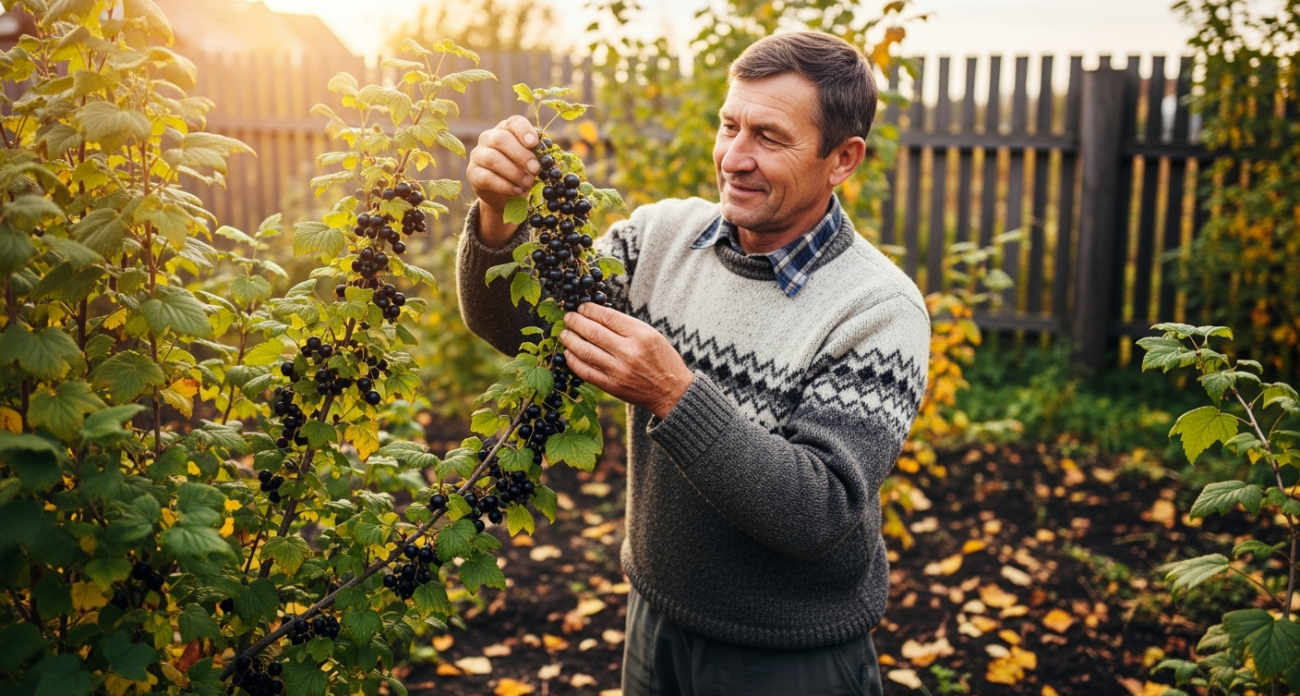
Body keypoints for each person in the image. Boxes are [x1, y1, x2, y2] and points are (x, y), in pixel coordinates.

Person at [457, 31, 930, 696]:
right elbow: (515, 327)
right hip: (654, 623)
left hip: (786, 658)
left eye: (769, 137)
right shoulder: (658, 237)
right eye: (729, 126)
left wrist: (675, 395)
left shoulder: (878, 310)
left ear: (843, 159)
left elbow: (820, 510)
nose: (734, 157)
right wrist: (497, 216)